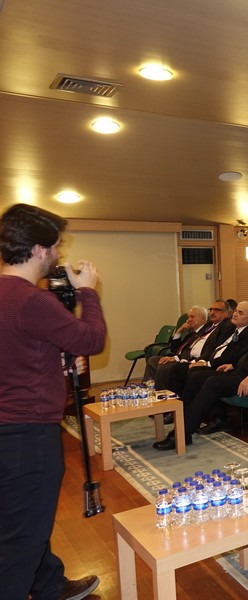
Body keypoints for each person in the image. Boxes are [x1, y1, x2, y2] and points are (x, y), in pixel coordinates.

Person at [0, 204, 106, 600]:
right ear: (39, 249)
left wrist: (52, 362)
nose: (59, 254)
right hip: (26, 434)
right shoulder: (32, 300)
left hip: (7, 426)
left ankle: (49, 586)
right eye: (57, 246)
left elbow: (16, 350)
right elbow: (92, 339)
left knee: (19, 519)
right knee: (21, 539)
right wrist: (88, 292)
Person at [153, 303, 248, 449]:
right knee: (196, 376)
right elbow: (247, 354)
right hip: (238, 372)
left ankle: (182, 433)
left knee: (213, 382)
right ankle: (182, 423)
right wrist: (233, 365)